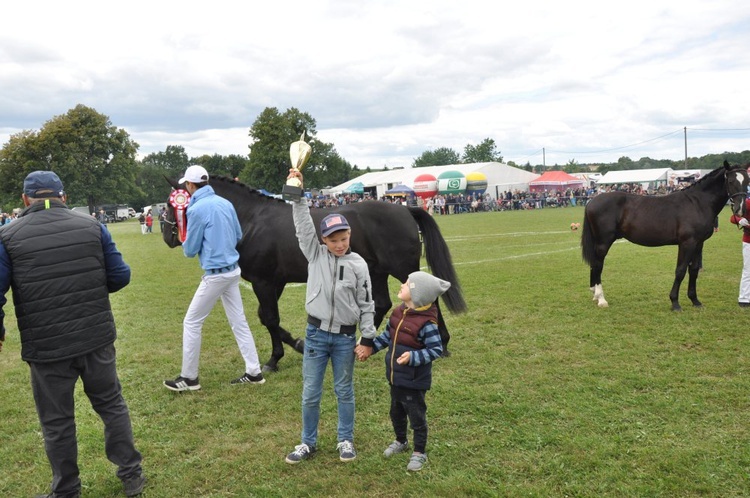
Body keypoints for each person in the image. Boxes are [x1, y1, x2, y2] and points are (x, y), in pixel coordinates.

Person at [0, 171, 146, 498]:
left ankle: (66, 490)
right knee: (111, 405)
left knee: (57, 422)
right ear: (63, 196)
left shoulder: (9, 235)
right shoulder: (92, 226)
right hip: (95, 339)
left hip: (48, 347)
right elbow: (120, 276)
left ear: (25, 200)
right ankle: (131, 474)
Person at [284, 168, 376, 465]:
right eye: (333, 239)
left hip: (345, 338)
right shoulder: (315, 254)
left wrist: (368, 338)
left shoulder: (359, 265)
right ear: (323, 240)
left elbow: (366, 303)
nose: (339, 244)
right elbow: (303, 227)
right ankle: (307, 442)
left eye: (344, 237)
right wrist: (298, 193)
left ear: (350, 236)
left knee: (344, 390)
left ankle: (345, 439)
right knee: (311, 392)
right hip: (316, 335)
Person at [164, 165, 265, 391]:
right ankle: (254, 371)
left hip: (216, 274)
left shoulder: (196, 208)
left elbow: (190, 250)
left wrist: (187, 241)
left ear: (190, 185)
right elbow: (238, 234)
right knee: (239, 322)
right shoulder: (225, 203)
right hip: (232, 271)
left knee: (191, 322)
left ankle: (189, 377)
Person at [357, 271, 451, 472]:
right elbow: (387, 337)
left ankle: (419, 451)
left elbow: (435, 350)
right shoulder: (399, 312)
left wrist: (413, 357)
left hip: (414, 381)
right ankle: (401, 441)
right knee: (396, 412)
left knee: (416, 416)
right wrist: (371, 348)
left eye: (408, 284)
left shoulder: (427, 324)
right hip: (395, 377)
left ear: (418, 295)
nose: (402, 284)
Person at [729, 198, 750, 307]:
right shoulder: (747, 203)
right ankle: (744, 298)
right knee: (748, 270)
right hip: (749, 241)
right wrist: (740, 220)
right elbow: (733, 217)